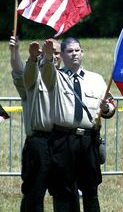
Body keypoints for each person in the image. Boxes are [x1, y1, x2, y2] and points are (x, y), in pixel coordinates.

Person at [40, 37, 116, 212]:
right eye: (69, 51)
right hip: (63, 139)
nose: (74, 54)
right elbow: (45, 71)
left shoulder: (96, 79)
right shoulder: (55, 77)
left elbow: (110, 107)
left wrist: (106, 109)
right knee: (63, 192)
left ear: (82, 53)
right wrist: (48, 56)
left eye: (77, 50)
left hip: (88, 141)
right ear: (63, 55)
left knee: (91, 191)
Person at [10, 36, 61, 211]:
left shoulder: (68, 80)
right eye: (49, 52)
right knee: (34, 193)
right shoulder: (32, 79)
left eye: (56, 52)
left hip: (63, 142)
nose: (53, 55)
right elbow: (19, 73)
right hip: (39, 143)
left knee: (64, 192)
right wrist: (15, 51)